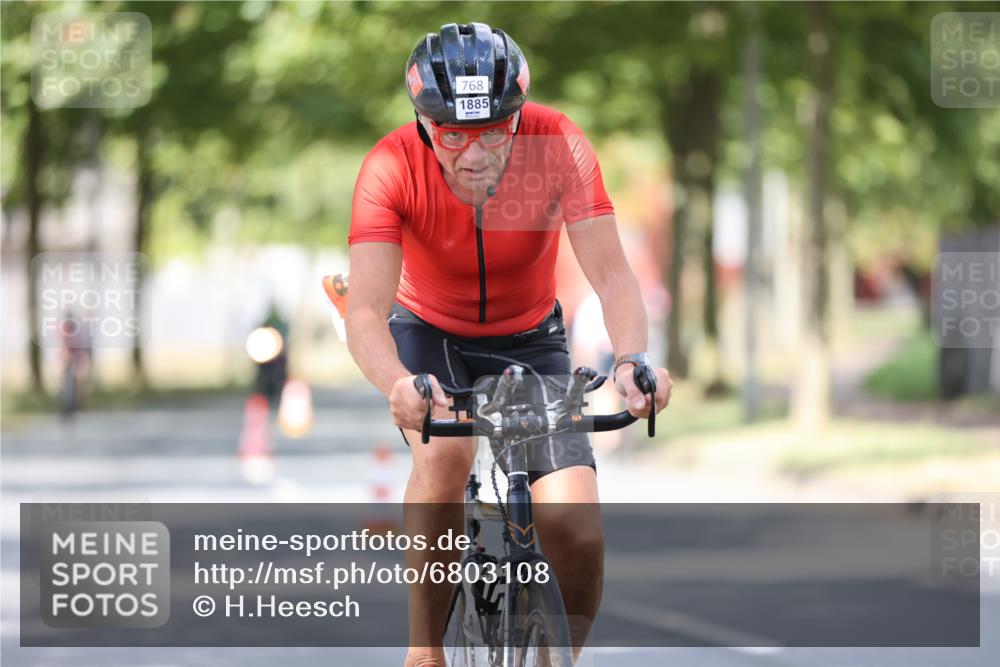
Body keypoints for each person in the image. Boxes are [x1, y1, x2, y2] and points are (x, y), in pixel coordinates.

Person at [346, 22, 672, 666]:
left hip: (530, 336)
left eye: (494, 131)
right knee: (445, 457)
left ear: (518, 118)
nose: (475, 155)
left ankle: (560, 657)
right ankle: (424, 651)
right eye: (454, 136)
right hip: (427, 334)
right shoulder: (389, 165)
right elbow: (364, 310)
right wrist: (398, 386)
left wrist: (633, 361)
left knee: (576, 531)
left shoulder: (559, 144)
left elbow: (611, 273)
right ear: (422, 124)